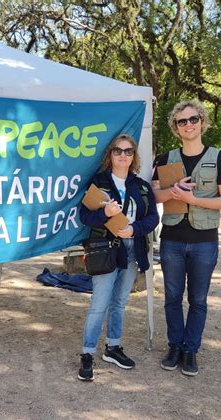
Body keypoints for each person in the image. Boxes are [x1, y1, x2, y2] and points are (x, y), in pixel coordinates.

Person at [152, 100, 221, 376]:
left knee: (198, 299)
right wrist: (173, 191)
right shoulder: (165, 159)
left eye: (193, 119)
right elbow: (154, 196)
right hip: (172, 238)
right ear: (175, 128)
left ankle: (190, 351)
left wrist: (192, 198)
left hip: (204, 242)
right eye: (182, 121)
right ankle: (174, 346)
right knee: (172, 297)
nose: (188, 125)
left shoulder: (220, 158)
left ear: (202, 122)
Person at [78, 134, 159, 381]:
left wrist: (136, 229)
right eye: (117, 151)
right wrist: (105, 212)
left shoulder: (141, 185)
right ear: (110, 154)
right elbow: (84, 217)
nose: (123, 155)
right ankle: (87, 354)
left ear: (134, 156)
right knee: (99, 304)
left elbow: (153, 217)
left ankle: (113, 347)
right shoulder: (99, 182)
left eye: (128, 151)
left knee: (119, 302)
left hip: (133, 248)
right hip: (106, 248)